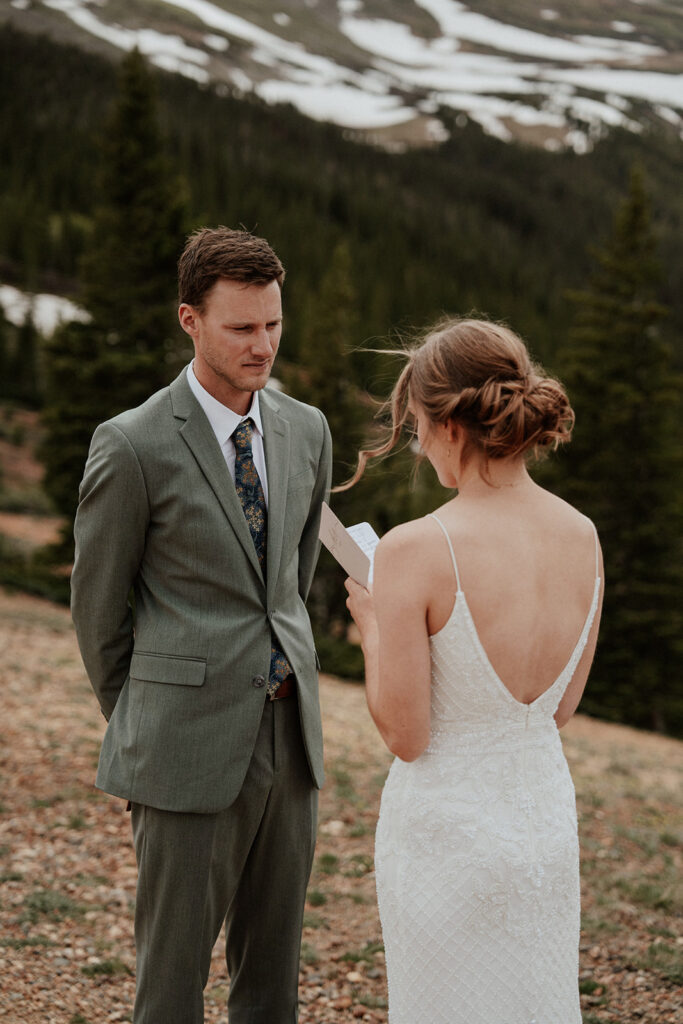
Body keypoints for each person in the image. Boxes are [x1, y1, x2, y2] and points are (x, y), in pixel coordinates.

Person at [71, 226, 332, 1024]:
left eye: (274, 325)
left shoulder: (306, 430)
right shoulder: (132, 444)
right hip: (181, 743)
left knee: (272, 984)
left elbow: (289, 581)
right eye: (242, 328)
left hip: (290, 741)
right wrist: (150, 714)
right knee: (172, 986)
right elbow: (97, 611)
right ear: (190, 320)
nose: (264, 346)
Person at [344, 317, 604, 1024]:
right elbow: (554, 710)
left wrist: (372, 629)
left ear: (450, 426)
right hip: (542, 823)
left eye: (418, 426)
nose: (419, 445)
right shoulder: (582, 536)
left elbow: (406, 733)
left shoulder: (416, 548)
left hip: (444, 838)